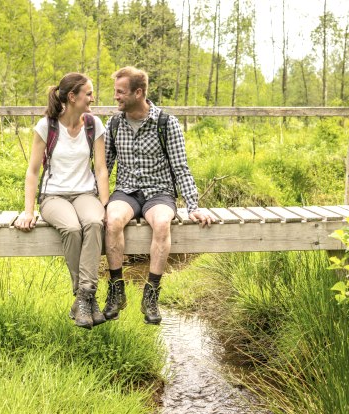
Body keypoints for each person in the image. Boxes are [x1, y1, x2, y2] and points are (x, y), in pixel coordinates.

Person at [103, 66, 214, 325]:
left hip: (159, 192)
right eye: (115, 92)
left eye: (120, 92)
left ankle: (151, 294)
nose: (116, 97)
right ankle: (116, 290)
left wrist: (193, 206)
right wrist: (94, 202)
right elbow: (104, 167)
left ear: (138, 92)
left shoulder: (166, 123)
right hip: (126, 190)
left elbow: (180, 166)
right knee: (113, 220)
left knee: (163, 223)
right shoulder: (114, 123)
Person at [15, 73, 109, 330]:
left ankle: (84, 296)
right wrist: (28, 211)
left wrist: (106, 205)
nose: (92, 98)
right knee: (71, 228)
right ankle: (86, 300)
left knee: (93, 221)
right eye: (88, 93)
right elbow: (33, 171)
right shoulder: (47, 126)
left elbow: (100, 170)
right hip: (53, 196)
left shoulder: (94, 125)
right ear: (72, 97)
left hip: (85, 194)